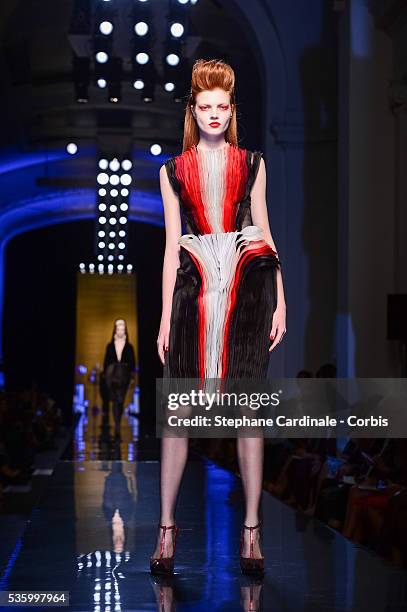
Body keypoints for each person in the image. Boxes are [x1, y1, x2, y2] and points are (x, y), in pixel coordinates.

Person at [151, 58, 287, 576]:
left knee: (248, 414)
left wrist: (281, 296)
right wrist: (165, 317)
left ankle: (251, 531)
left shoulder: (252, 164)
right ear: (194, 109)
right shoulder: (171, 172)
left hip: (247, 290)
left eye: (222, 107)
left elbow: (265, 231)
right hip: (192, 289)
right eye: (205, 106)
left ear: (232, 111)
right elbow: (170, 247)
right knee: (179, 417)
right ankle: (167, 530)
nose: (213, 114)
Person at [102, 318, 136, 437]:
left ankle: (117, 422)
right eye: (118, 328)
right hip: (111, 377)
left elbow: (132, 363)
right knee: (115, 399)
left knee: (120, 400)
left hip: (124, 376)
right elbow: (106, 362)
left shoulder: (129, 347)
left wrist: (131, 376)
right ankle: (116, 423)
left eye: (122, 328)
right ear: (115, 330)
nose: (120, 331)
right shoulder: (110, 346)